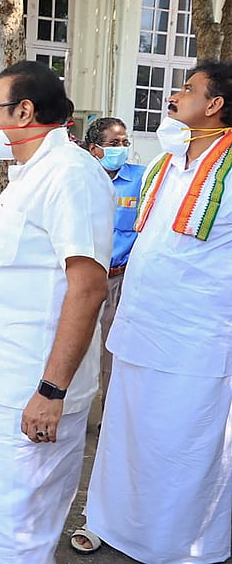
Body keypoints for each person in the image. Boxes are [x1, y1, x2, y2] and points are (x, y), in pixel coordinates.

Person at [0, 61, 114, 563]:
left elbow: (87, 289)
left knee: (17, 533)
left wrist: (50, 391)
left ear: (24, 111)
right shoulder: (30, 174)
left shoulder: (70, 176)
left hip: (33, 392)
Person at [71, 62, 232, 563]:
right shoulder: (166, 164)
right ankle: (109, 521)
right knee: (126, 433)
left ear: (214, 105)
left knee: (186, 443)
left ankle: (185, 544)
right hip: (142, 327)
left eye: (188, 88)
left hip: (199, 338)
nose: (175, 94)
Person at [82, 117, 144, 418]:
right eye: (113, 144)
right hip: (81, 278)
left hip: (118, 279)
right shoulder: (81, 178)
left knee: (112, 350)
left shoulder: (141, 179)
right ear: (95, 149)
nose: (122, 148)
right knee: (76, 344)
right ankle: (70, 410)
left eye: (124, 143)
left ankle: (108, 417)